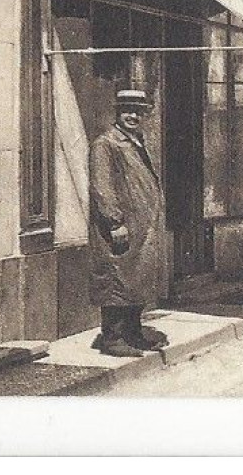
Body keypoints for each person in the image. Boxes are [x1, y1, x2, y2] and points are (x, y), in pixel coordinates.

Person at [89, 89, 170, 357]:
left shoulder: (136, 141)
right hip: (121, 227)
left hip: (140, 227)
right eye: (127, 110)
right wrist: (114, 222)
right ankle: (112, 337)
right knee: (116, 280)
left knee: (136, 281)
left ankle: (133, 333)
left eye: (138, 110)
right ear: (117, 113)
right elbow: (102, 186)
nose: (133, 115)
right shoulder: (107, 143)